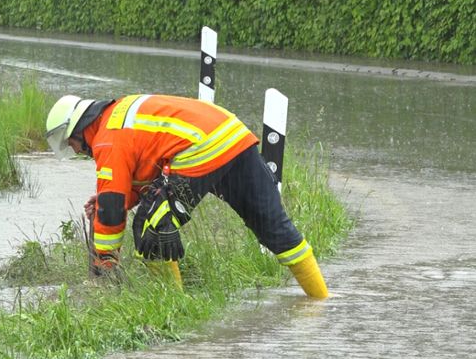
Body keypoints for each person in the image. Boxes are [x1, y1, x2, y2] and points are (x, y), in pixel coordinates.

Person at [45, 94, 328, 298]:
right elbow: (143, 175)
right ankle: (321, 303)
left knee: (151, 227)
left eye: (70, 144)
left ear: (79, 129)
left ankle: (172, 305)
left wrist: (104, 262)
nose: (75, 150)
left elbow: (111, 209)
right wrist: (123, 199)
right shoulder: (118, 117)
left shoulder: (107, 136)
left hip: (201, 148)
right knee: (275, 227)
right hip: (234, 136)